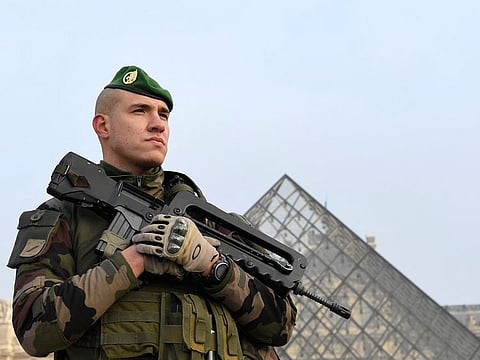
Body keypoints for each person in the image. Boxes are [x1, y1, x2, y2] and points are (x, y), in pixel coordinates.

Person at [8, 65, 296, 360]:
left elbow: (281, 327)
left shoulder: (216, 226)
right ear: (103, 126)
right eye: (140, 111)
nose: (158, 124)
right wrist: (134, 260)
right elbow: (35, 331)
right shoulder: (64, 218)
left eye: (164, 114)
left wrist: (214, 266)